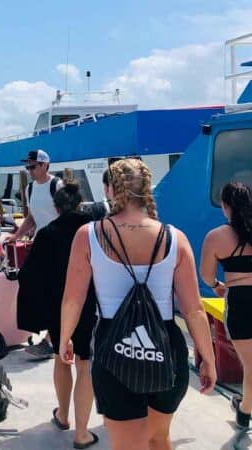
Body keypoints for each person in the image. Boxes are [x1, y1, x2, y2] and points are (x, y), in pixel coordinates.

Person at [60, 158, 216, 450]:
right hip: (166, 347)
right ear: (147, 191)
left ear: (111, 191)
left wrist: (65, 337)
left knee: (126, 445)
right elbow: (194, 309)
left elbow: (73, 298)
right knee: (159, 439)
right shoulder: (175, 238)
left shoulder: (89, 236)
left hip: (114, 347)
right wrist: (207, 356)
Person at [17, 180, 98, 448]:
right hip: (90, 302)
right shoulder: (95, 230)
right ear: (80, 203)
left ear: (56, 206)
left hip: (58, 306)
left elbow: (30, 275)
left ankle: (63, 416)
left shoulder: (49, 232)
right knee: (85, 364)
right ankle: (82, 432)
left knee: (62, 359)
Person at [199, 181, 252, 429]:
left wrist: (218, 285)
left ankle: (245, 411)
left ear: (225, 205)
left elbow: (206, 276)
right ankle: (244, 407)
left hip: (240, 301)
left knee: (250, 364)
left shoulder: (216, 237)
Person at [5, 149, 64, 358]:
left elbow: (65, 215)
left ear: (44, 165)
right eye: (28, 166)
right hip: (40, 244)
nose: (30, 170)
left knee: (55, 292)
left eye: (33, 166)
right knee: (29, 282)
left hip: (58, 246)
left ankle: (50, 338)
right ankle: (45, 330)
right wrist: (16, 235)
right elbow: (31, 218)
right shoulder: (30, 188)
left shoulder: (57, 186)